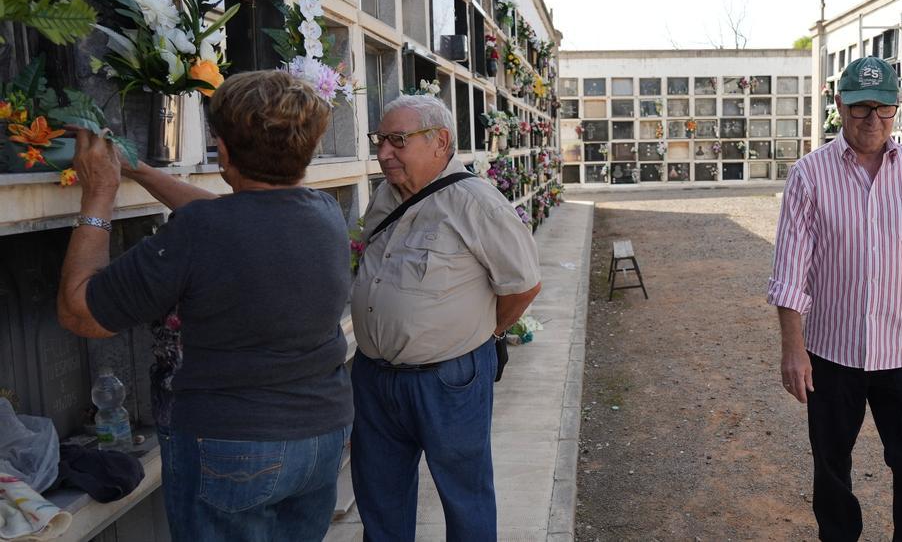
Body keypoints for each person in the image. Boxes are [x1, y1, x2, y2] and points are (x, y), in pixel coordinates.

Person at [57, 70, 353, 541]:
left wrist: (100, 192)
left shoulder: (203, 233)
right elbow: (230, 217)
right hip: (321, 439)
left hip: (234, 447)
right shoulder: (324, 212)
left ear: (224, 150)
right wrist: (142, 171)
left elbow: (81, 313)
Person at [768, 57, 902, 541]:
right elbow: (790, 271)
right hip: (832, 355)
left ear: (897, 109)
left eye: (884, 110)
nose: (872, 122)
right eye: (860, 109)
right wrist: (793, 347)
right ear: (838, 106)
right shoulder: (809, 176)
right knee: (831, 468)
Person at [351, 95, 541, 541]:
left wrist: (484, 333)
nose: (383, 153)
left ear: (440, 142)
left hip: (448, 379)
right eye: (380, 141)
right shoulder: (385, 196)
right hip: (375, 377)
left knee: (464, 496)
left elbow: (524, 284)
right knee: (380, 498)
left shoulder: (477, 203)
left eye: (397, 141)